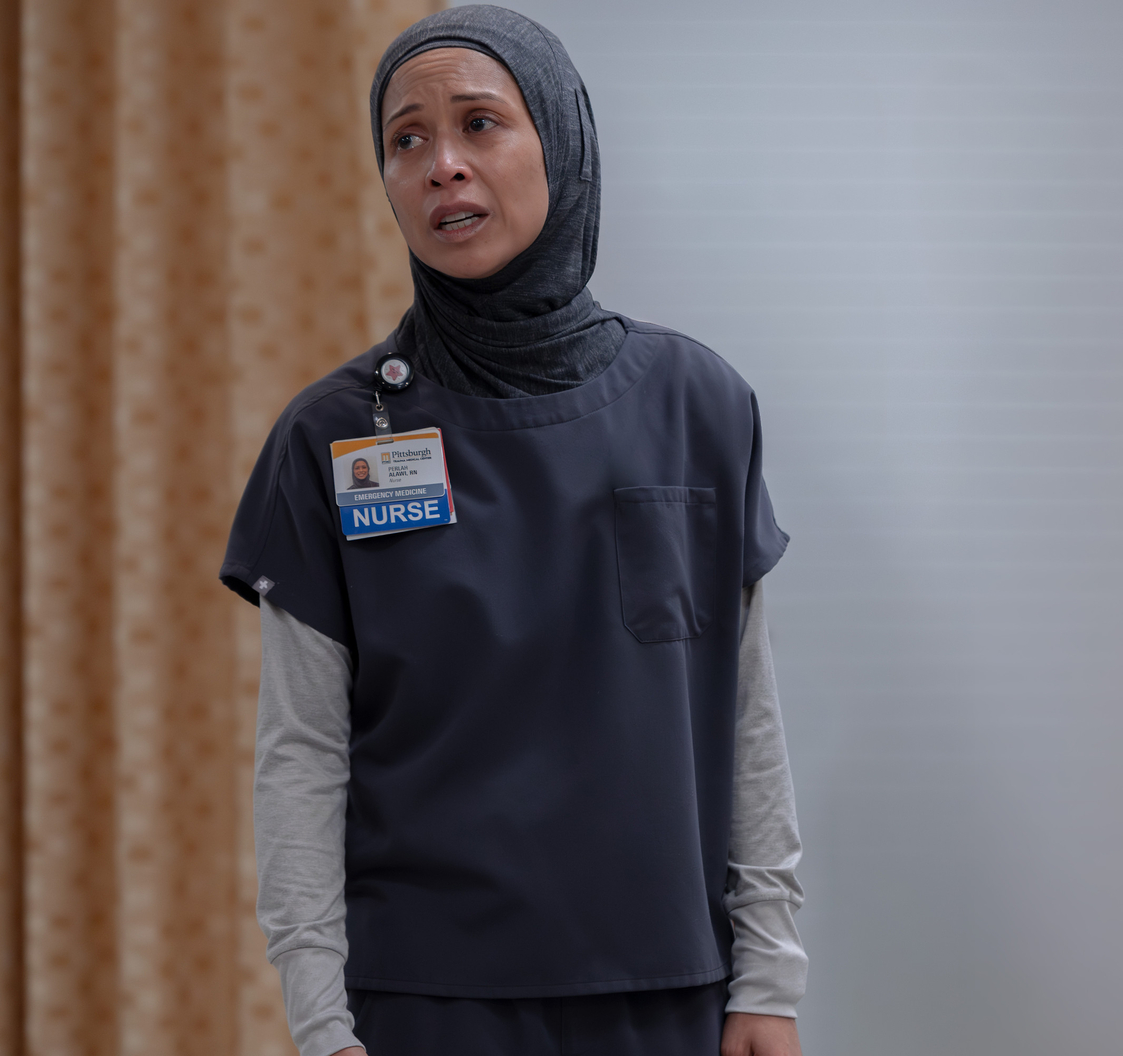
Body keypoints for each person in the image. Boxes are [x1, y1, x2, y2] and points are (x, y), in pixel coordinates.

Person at [221, 8, 805, 1055]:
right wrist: (320, 1022)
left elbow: (746, 714)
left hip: (667, 986)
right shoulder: (335, 435)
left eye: (480, 123)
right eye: (407, 139)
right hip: (425, 999)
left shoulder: (698, 405)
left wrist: (770, 978)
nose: (442, 164)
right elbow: (302, 752)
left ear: (561, 140)